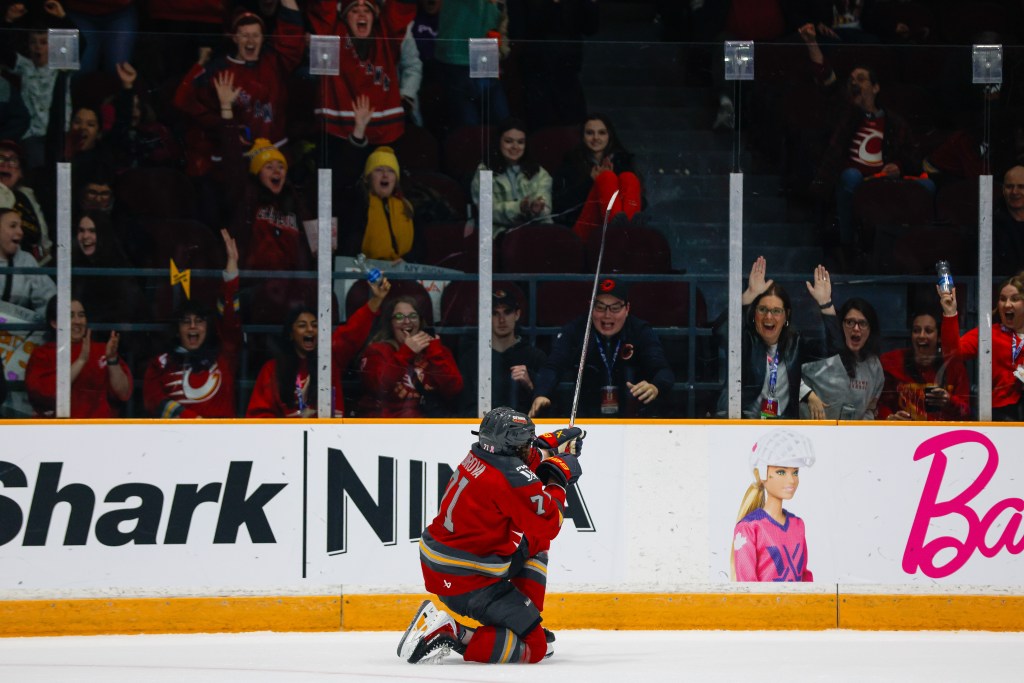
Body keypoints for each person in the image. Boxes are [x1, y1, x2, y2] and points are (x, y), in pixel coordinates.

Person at [397, 406, 583, 664]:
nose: (530, 449)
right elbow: (549, 523)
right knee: (536, 648)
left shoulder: (479, 453)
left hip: (443, 562)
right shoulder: (510, 478)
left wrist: (548, 445)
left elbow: (519, 466)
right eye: (527, 444)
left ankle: (523, 620)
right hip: (468, 579)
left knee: (535, 543)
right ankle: (453, 633)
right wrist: (559, 477)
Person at [803, 26, 932, 259]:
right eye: (851, 79)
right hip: (856, 179)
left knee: (928, 187)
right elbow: (826, 79)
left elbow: (913, 158)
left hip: (886, 180)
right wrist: (811, 42)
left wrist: (899, 168)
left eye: (861, 79)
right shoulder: (845, 114)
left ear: (875, 87)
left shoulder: (894, 121)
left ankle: (912, 248)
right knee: (851, 176)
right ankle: (847, 244)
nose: (855, 83)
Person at [172, 1, 303, 179]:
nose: (250, 41)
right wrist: (224, 122)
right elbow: (184, 102)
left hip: (274, 155)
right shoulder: (218, 71)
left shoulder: (273, 62)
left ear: (263, 38)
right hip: (235, 163)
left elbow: (291, 37)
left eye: (255, 35)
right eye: (244, 36)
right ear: (234, 38)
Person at [247, 276, 392, 418]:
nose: (310, 330)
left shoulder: (329, 358)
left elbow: (351, 332)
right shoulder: (272, 369)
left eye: (315, 326)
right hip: (287, 439)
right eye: (302, 326)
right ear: (291, 334)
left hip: (328, 438)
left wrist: (376, 300)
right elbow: (259, 415)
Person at [529, 277, 674, 418]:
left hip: (633, 418)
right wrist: (542, 393)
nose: (607, 315)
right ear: (590, 307)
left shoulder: (640, 330)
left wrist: (656, 387)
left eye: (615, 308)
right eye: (600, 307)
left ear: (627, 308)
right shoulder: (576, 330)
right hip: (586, 416)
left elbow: (663, 370)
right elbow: (553, 366)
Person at [718, 256, 842, 419]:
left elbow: (835, 345)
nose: (769, 317)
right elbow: (721, 331)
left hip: (783, 426)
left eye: (776, 311)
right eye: (762, 309)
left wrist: (825, 303)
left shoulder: (795, 344)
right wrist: (748, 296)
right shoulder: (746, 341)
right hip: (745, 425)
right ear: (754, 314)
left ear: (786, 316)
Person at [143, 229, 243, 419]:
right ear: (177, 329)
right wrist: (190, 420)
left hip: (220, 444)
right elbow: (152, 399)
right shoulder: (163, 363)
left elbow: (230, 319)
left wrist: (231, 268)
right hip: (178, 444)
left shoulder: (224, 356)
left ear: (208, 327)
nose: (193, 327)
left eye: (199, 321)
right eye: (186, 322)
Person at [305, 0, 417, 146]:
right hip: (338, 130)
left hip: (385, 132)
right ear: (345, 17)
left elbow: (400, 10)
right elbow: (323, 8)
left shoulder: (385, 35)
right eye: (355, 11)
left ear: (374, 16)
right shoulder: (334, 33)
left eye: (367, 11)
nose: (362, 15)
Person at [25, 296, 132, 418]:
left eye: (81, 315)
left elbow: (123, 393)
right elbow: (46, 394)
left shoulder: (103, 350)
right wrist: (81, 361)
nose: (78, 321)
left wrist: (112, 360)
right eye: (70, 316)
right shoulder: (42, 354)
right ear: (54, 323)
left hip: (99, 430)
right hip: (57, 431)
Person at [357, 294, 463, 417]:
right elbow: (379, 387)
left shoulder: (436, 350)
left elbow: (454, 389)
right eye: (399, 317)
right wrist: (407, 352)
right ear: (390, 323)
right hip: (387, 427)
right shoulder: (377, 351)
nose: (407, 321)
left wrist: (435, 353)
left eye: (413, 316)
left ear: (420, 321)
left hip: (430, 427)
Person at [731, 428, 815, 582]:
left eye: (795, 472)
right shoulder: (749, 528)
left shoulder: (798, 525)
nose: (791, 480)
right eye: (781, 472)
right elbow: (747, 586)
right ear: (763, 475)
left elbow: (804, 577)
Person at [939, 273, 1024, 421]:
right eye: (1002, 299)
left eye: (1015, 299)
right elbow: (953, 353)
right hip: (1000, 415)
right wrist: (950, 313)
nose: (1007, 304)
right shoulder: (989, 333)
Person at [457, 287, 547, 416]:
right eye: (495, 313)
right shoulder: (471, 359)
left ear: (517, 314)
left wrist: (531, 385)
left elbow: (550, 409)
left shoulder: (535, 357)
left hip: (523, 431)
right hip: (483, 430)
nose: (501, 319)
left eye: (507, 312)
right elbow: (463, 408)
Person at [877, 306, 970, 421]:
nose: (921, 335)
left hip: (942, 436)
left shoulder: (954, 367)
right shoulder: (893, 362)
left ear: (939, 337)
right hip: (904, 435)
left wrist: (949, 401)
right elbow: (879, 404)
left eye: (928, 331)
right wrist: (889, 417)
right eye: (916, 330)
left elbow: (966, 412)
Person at [553, 114, 639, 234]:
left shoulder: (622, 161)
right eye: (590, 133)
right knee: (606, 177)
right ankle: (618, 231)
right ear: (582, 137)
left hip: (618, 228)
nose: (596, 138)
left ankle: (625, 231)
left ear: (609, 136)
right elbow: (560, 207)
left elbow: (641, 202)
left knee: (627, 177)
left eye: (602, 133)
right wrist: (590, 181)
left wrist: (614, 183)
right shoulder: (570, 163)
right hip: (584, 226)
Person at [800, 297, 884, 420]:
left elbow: (869, 410)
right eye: (850, 322)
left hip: (851, 436)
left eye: (863, 323)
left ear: (871, 329)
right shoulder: (822, 351)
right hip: (811, 433)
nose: (856, 328)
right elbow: (787, 375)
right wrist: (808, 395)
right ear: (841, 325)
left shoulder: (874, 366)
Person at [470, 119, 553, 239]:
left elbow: (546, 209)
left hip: (535, 228)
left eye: (520, 142)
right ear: (498, 142)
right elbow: (486, 211)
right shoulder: (484, 171)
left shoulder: (539, 172)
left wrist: (537, 209)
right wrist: (519, 208)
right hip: (501, 232)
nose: (515, 147)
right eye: (508, 141)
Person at [338, 143, 418, 262]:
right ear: (367, 178)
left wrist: (405, 260)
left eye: (391, 171)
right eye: (379, 170)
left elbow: (420, 247)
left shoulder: (406, 206)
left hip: (401, 272)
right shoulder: (358, 203)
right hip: (365, 274)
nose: (385, 175)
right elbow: (346, 173)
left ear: (395, 179)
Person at [0, 139, 50, 264]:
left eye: (13, 161)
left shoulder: (27, 195)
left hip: (32, 268)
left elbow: (44, 243)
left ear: (21, 172)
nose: (5, 165)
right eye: (0, 159)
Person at [0, 206, 55, 319]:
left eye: (20, 227)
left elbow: (49, 300)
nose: (20, 232)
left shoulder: (26, 260)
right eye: (13, 226)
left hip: (15, 334)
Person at [994, 165, 1024, 277]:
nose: (1014, 192)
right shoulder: (990, 225)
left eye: (1021, 187)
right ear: (1003, 190)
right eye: (1009, 186)